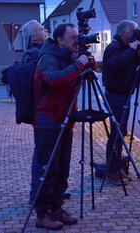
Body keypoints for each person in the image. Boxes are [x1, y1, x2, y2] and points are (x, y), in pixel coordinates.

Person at [32, 23, 88, 230]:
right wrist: (78, 65)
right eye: (72, 37)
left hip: (66, 119)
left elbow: (75, 79)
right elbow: (55, 80)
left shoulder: (68, 57)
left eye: (77, 37)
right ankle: (41, 214)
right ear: (60, 40)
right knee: (48, 170)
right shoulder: (48, 57)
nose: (77, 40)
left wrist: (83, 63)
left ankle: (56, 208)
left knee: (62, 169)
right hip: (48, 121)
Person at [21, 20, 72, 205]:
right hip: (46, 115)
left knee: (47, 159)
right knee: (43, 161)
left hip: (48, 114)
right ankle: (38, 196)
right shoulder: (41, 55)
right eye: (42, 30)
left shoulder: (34, 53)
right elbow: (52, 80)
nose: (46, 32)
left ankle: (50, 195)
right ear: (34, 37)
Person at [102, 20, 140, 185]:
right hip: (116, 95)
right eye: (134, 31)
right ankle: (112, 171)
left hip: (124, 94)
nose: (136, 34)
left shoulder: (125, 48)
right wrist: (132, 50)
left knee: (121, 132)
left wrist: (139, 48)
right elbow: (117, 64)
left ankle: (116, 167)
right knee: (117, 133)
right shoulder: (114, 47)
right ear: (123, 33)